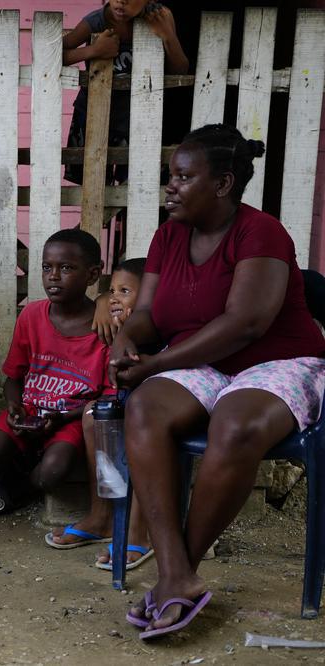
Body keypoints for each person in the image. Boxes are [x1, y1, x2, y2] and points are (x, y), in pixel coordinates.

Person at [112, 125, 325, 639]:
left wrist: (157, 365)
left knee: (235, 426)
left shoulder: (261, 232)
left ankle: (172, 576)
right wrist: (125, 342)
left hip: (277, 360)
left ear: (224, 184)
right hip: (198, 361)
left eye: (184, 177)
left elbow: (245, 324)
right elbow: (148, 315)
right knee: (143, 409)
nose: (171, 188)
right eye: (171, 177)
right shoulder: (168, 236)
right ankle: (178, 575)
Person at [0, 230, 110, 519]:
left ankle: (15, 490)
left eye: (66, 268)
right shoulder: (31, 315)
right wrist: (14, 407)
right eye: (46, 267)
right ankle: (18, 473)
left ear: (92, 275)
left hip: (71, 419)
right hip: (30, 411)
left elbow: (106, 398)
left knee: (51, 473)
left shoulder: (103, 328)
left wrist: (62, 418)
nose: (53, 276)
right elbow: (13, 377)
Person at [46, 258, 153, 571]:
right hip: (125, 401)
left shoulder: (160, 326)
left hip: (160, 406)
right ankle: (101, 516)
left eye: (124, 291)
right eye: (111, 291)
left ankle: (138, 530)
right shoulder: (116, 321)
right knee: (96, 415)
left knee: (143, 424)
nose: (115, 297)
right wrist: (108, 300)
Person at [62, 1, 188, 186]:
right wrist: (94, 50)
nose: (121, 1)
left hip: (138, 121)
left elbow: (180, 71)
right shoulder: (96, 21)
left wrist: (168, 36)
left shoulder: (160, 17)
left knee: (134, 188)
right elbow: (56, 54)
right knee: (93, 185)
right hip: (92, 116)